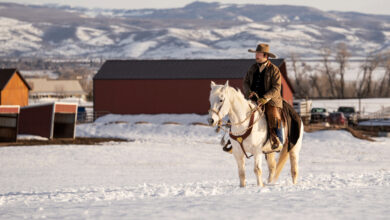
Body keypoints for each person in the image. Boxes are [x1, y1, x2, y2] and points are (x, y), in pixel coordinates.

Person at [243, 43, 284, 152]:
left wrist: (265, 98)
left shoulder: (274, 69)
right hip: (254, 99)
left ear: (265, 55)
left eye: (258, 53)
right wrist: (248, 92)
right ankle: (233, 138)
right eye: (256, 53)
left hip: (271, 101)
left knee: (274, 115)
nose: (256, 55)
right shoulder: (252, 68)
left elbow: (276, 87)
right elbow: (245, 82)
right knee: (240, 112)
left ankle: (278, 140)